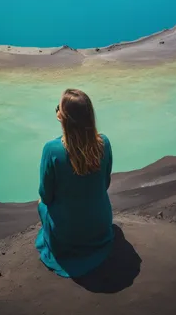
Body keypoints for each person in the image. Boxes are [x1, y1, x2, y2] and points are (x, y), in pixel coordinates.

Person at [35, 88, 114, 278]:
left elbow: (46, 195)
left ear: (63, 118)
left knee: (39, 203)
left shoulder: (52, 150)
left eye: (58, 109)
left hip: (68, 235)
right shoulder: (104, 143)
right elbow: (105, 184)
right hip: (100, 226)